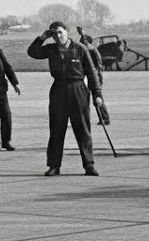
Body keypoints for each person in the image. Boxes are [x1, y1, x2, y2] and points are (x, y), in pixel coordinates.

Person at [27, 21, 103, 176]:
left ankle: (89, 164)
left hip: (78, 89)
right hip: (58, 90)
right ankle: (54, 165)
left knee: (82, 128)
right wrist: (42, 38)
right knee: (56, 129)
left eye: (60, 32)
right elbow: (33, 52)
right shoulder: (51, 49)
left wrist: (97, 94)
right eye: (54, 34)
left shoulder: (79, 49)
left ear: (67, 32)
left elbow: (91, 72)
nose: (58, 36)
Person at [78, 33, 110, 125]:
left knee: (97, 99)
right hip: (90, 76)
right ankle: (100, 118)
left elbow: (98, 66)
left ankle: (104, 118)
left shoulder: (92, 51)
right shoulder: (87, 51)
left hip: (95, 77)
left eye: (83, 40)